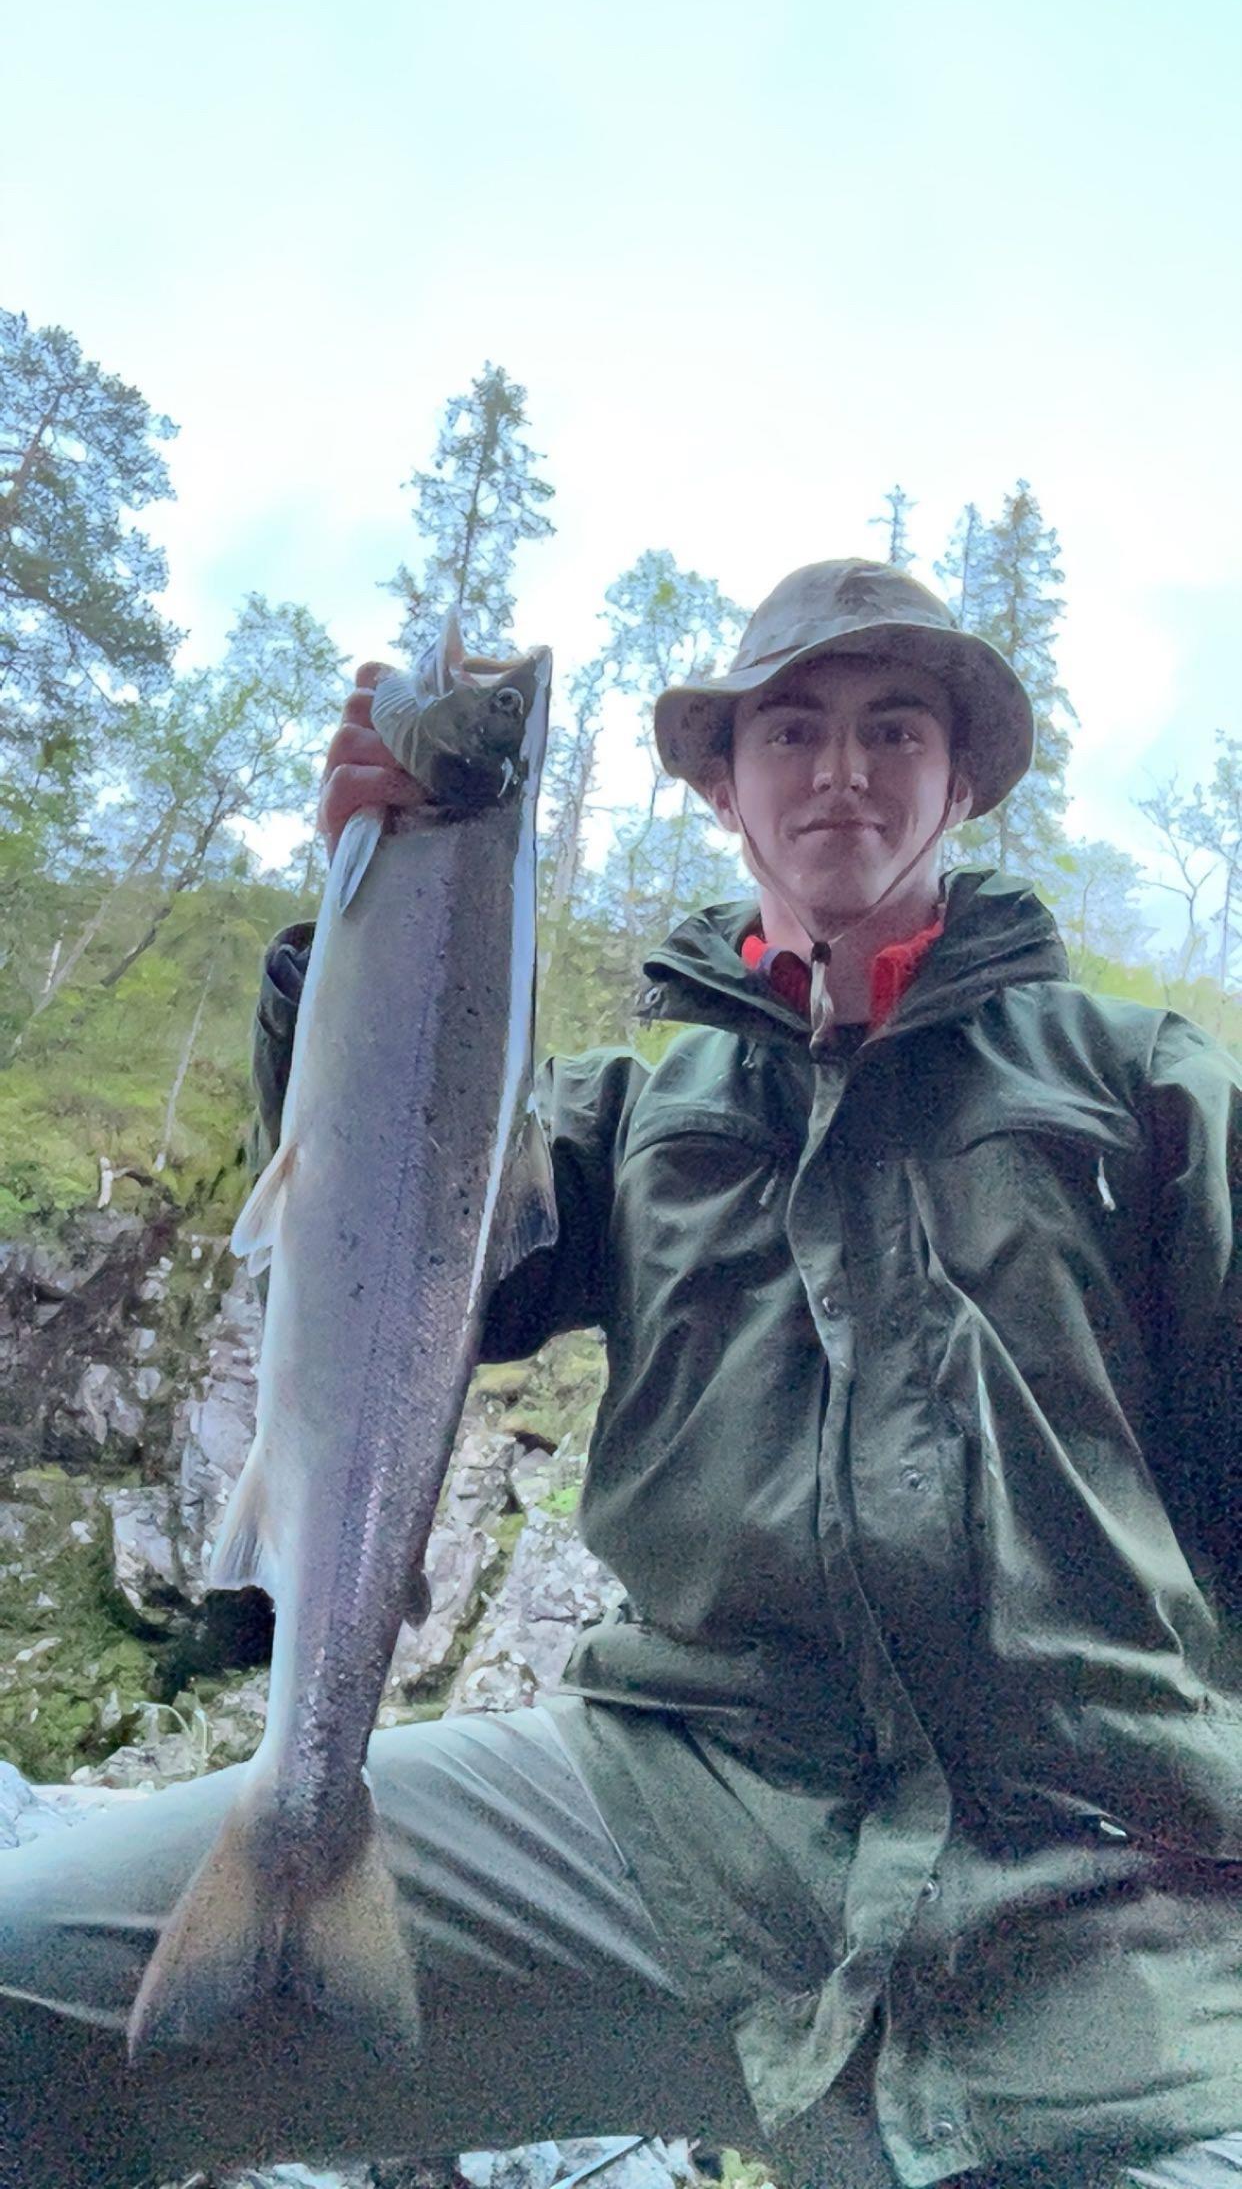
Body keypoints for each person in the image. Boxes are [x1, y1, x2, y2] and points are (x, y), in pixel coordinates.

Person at [1, 560, 1238, 2189]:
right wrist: (364, 923)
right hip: (673, 1814)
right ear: (722, 788)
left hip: (1090, 1872)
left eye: (893, 729)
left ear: (962, 783)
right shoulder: (620, 1120)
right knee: (23, 1981)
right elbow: (385, 1242)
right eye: (789, 731)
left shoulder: (1145, 1083)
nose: (842, 770)